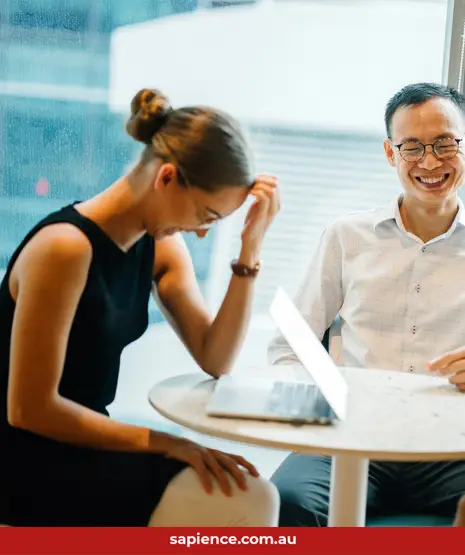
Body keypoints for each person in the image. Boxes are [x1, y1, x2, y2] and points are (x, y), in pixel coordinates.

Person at [0, 88, 280, 526]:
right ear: (166, 177)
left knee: (252, 495)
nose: (202, 233)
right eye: (205, 215)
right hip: (27, 461)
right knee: (244, 501)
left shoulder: (160, 246)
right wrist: (168, 442)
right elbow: (29, 409)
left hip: (88, 447)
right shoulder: (64, 249)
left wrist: (250, 251)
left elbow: (216, 358)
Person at [268, 82, 465, 526]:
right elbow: (288, 348)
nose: (430, 161)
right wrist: (323, 399)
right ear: (390, 153)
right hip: (348, 439)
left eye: (445, 143)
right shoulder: (346, 237)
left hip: (453, 446)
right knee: (286, 503)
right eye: (411, 147)